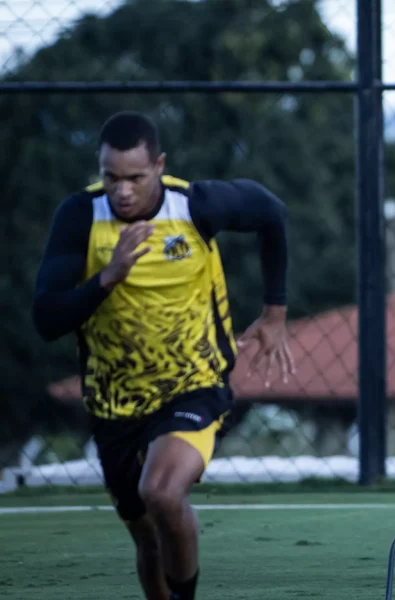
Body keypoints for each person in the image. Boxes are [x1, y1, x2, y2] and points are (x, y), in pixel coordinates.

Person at [32, 111, 294, 599]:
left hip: (193, 384)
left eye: (135, 177)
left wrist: (275, 313)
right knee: (149, 542)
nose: (123, 191)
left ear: (159, 165)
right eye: (111, 177)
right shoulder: (80, 216)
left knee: (162, 494)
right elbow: (47, 319)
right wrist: (107, 277)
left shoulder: (196, 206)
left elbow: (271, 212)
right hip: (114, 405)